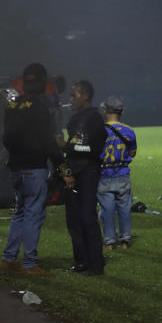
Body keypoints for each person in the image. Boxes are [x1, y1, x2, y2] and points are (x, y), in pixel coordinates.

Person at [0, 62, 63, 276]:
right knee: (33, 215)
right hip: (34, 168)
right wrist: (59, 161)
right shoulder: (39, 107)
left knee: (20, 214)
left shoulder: (11, 106)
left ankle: (9, 259)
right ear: (43, 82)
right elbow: (46, 140)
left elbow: (6, 138)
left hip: (16, 168)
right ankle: (29, 263)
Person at [60, 80, 107, 275]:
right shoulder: (75, 118)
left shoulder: (94, 118)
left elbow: (92, 149)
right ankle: (81, 261)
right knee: (73, 219)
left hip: (88, 172)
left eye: (74, 95)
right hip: (73, 173)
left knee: (87, 217)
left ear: (85, 96)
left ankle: (96, 264)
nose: (70, 99)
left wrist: (66, 146)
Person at [97, 96, 136, 249]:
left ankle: (109, 242)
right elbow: (132, 153)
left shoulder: (100, 131)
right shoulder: (129, 131)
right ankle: (125, 240)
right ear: (122, 111)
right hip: (122, 175)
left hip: (104, 175)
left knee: (107, 210)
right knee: (124, 209)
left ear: (105, 111)